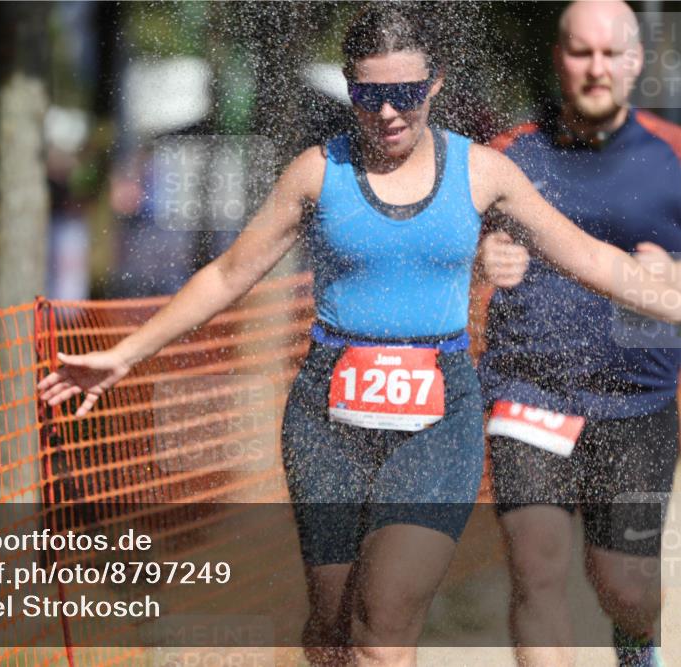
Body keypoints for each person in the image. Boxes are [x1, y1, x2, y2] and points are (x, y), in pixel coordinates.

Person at [39, 4, 681, 665]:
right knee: (333, 626)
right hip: (328, 420)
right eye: (370, 96)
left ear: (434, 85)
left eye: (405, 94)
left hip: (439, 420)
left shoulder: (483, 173)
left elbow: (597, 260)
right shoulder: (317, 173)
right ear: (351, 90)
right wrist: (123, 354)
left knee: (380, 630)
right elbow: (228, 273)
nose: (389, 113)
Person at [475, 2, 681, 666]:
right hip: (529, 391)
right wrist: (485, 259)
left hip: (638, 401)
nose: (596, 69)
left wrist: (671, 272)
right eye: (581, 53)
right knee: (537, 567)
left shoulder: (673, 155)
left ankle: (635, 642)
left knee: (627, 585)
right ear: (560, 58)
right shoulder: (510, 156)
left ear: (636, 61)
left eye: (610, 53)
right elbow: (446, 244)